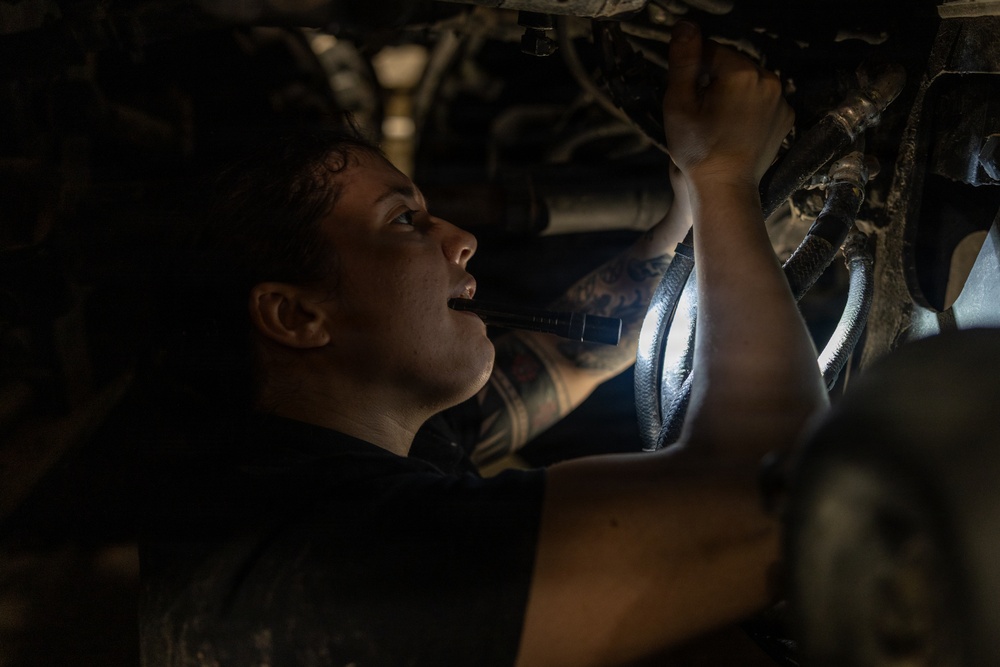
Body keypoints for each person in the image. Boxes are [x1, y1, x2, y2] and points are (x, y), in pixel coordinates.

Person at [139, 21, 828, 666]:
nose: (461, 239)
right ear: (294, 314)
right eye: (405, 220)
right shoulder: (323, 565)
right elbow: (768, 498)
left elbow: (567, 354)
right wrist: (723, 175)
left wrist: (690, 214)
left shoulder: (297, 477)